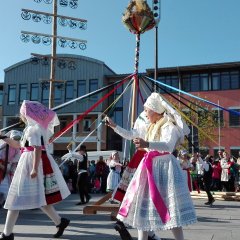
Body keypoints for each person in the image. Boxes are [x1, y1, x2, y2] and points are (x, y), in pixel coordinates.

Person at [108, 93, 197, 240]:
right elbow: (132, 135)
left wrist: (147, 144)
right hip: (149, 168)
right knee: (142, 212)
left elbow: (168, 146)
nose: (145, 113)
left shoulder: (169, 126)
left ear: (155, 111)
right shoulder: (151, 126)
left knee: (171, 208)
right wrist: (115, 126)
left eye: (147, 110)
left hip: (165, 169)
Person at [0, 100, 71, 240]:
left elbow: (37, 149)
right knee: (40, 200)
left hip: (30, 164)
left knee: (14, 199)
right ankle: (60, 222)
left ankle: (7, 234)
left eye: (22, 113)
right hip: (29, 162)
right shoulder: (31, 129)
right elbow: (19, 146)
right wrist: (3, 137)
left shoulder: (34, 129)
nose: (21, 115)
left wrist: (33, 169)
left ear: (27, 114)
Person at [106, 111, 161, 240]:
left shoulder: (156, 117)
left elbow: (130, 135)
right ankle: (125, 223)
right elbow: (130, 135)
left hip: (147, 157)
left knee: (141, 196)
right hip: (146, 157)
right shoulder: (143, 117)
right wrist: (115, 126)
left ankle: (145, 231)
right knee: (142, 195)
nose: (146, 109)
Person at [0, 130, 22, 207]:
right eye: (13, 138)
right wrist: (2, 166)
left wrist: (9, 167)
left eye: (17, 139)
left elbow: (16, 158)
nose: (15, 140)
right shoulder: (3, 146)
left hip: (9, 166)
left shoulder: (17, 148)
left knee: (10, 184)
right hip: (1, 165)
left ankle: (8, 201)